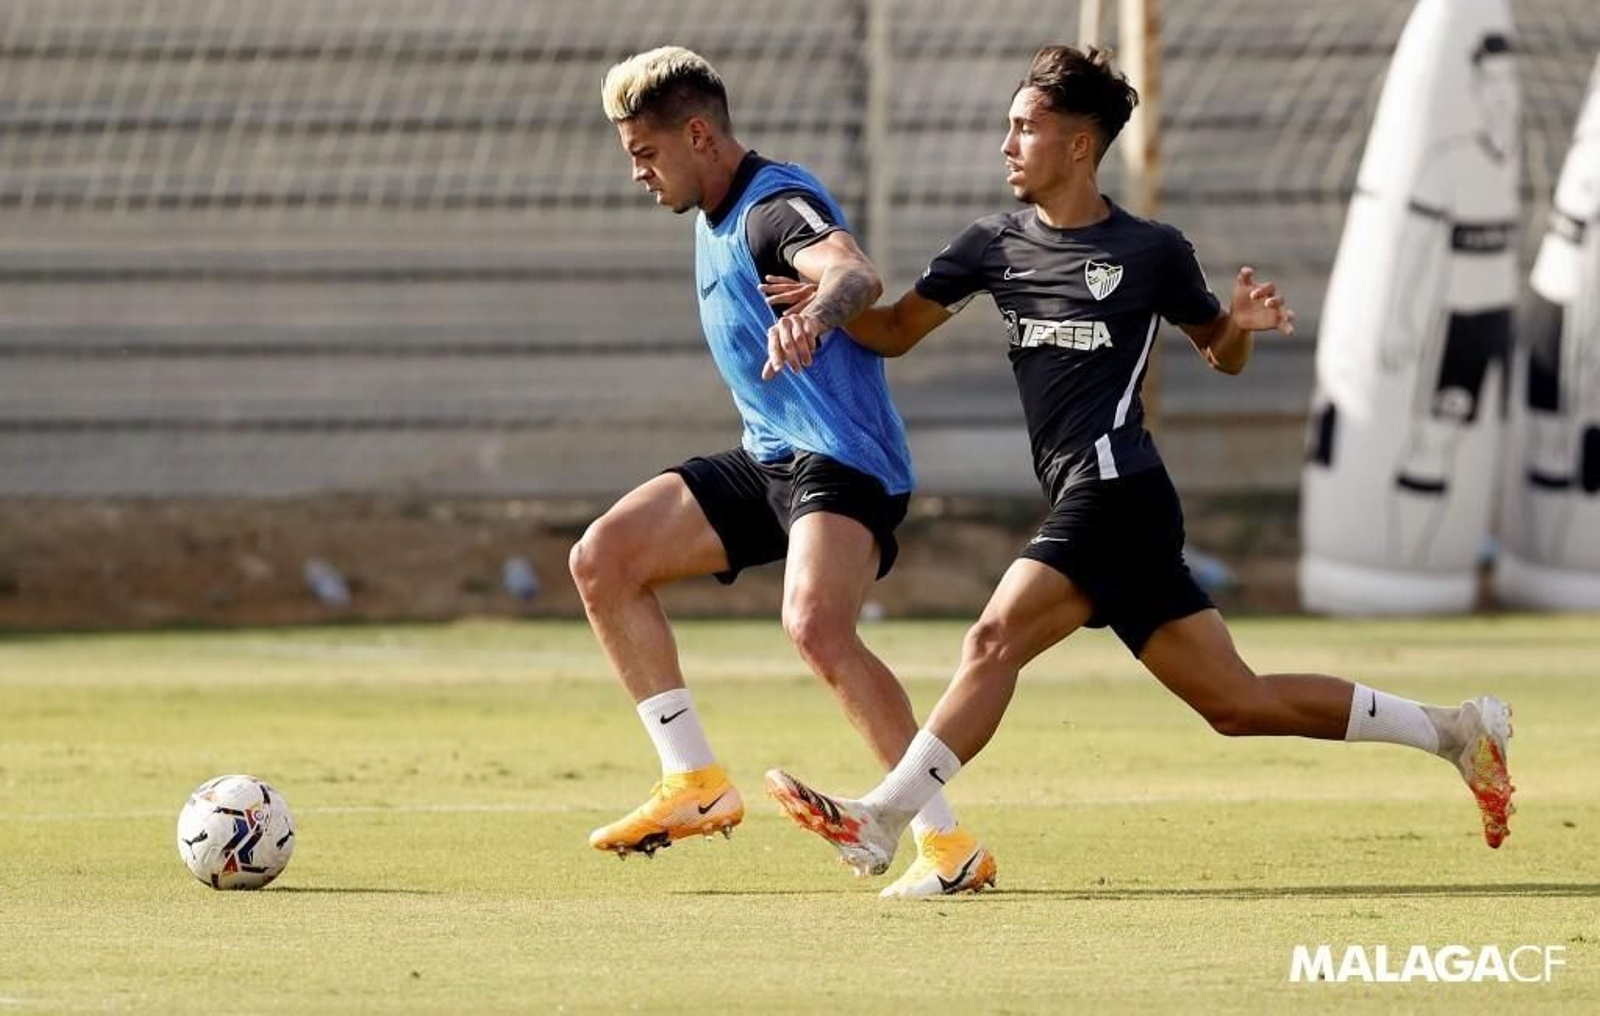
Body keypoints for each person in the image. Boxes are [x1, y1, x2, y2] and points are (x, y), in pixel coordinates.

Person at [758, 45, 1515, 881]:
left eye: (1025, 128)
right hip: (1110, 501)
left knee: (992, 639)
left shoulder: (1151, 250)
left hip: (1116, 488)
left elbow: (1218, 355)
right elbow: (897, 332)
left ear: (1079, 146)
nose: (1007, 145)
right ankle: (1455, 732)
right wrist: (828, 309)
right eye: (1008, 127)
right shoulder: (989, 245)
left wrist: (1239, 326)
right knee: (1238, 703)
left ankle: (882, 820)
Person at [574, 46, 996, 897]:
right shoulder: (713, 213)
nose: (637, 175)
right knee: (604, 560)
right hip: (773, 457)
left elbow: (851, 270)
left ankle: (950, 849)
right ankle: (693, 782)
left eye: (645, 154)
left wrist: (818, 318)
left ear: (698, 135)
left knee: (815, 628)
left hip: (846, 460)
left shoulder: (772, 208)